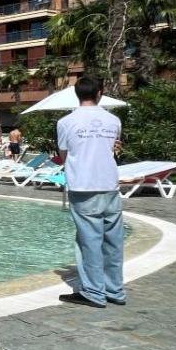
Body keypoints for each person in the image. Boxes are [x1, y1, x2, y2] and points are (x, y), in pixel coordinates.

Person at [56, 76, 125, 308]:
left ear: (77, 94)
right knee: (113, 241)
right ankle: (114, 290)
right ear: (99, 93)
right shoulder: (114, 120)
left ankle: (94, 291)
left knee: (89, 241)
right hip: (109, 184)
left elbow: (64, 155)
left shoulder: (66, 122)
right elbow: (112, 148)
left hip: (83, 186)